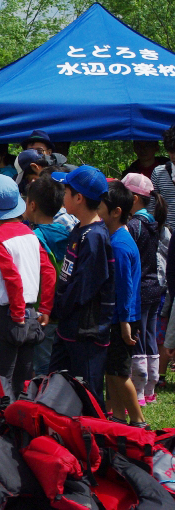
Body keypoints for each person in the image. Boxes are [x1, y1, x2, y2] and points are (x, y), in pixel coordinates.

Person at [0, 175, 55, 398]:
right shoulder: (30, 233)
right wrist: (46, 309)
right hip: (32, 315)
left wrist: (17, 315)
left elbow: (12, 277)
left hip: (11, 315)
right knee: (23, 381)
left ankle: (1, 426)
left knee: (0, 382)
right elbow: (48, 271)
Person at [49, 166, 115, 407]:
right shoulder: (79, 229)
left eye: (66, 190)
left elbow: (84, 287)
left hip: (86, 330)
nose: (62, 196)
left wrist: (59, 308)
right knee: (55, 384)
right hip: (68, 325)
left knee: (89, 393)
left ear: (79, 197)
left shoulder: (95, 236)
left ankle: (96, 439)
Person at [98, 180, 146, 427]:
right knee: (111, 373)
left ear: (117, 211)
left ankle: (138, 420)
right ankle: (118, 418)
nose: (97, 208)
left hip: (123, 318)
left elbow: (125, 287)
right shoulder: (117, 237)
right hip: (119, 317)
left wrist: (126, 322)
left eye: (102, 205)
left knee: (119, 374)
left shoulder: (119, 244)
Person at [122, 173, 167, 406]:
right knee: (149, 335)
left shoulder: (133, 226)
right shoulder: (154, 224)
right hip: (155, 287)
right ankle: (150, 390)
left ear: (135, 199)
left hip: (139, 288)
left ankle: (138, 393)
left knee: (136, 339)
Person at [23, 173, 69, 376]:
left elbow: (45, 274)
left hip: (42, 310)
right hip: (62, 307)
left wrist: (42, 308)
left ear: (32, 205)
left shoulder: (35, 238)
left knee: (41, 364)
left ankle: (43, 400)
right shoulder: (67, 233)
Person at [149, 125, 175, 229]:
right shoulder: (159, 172)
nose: (173, 156)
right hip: (167, 237)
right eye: (171, 151)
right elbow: (151, 206)